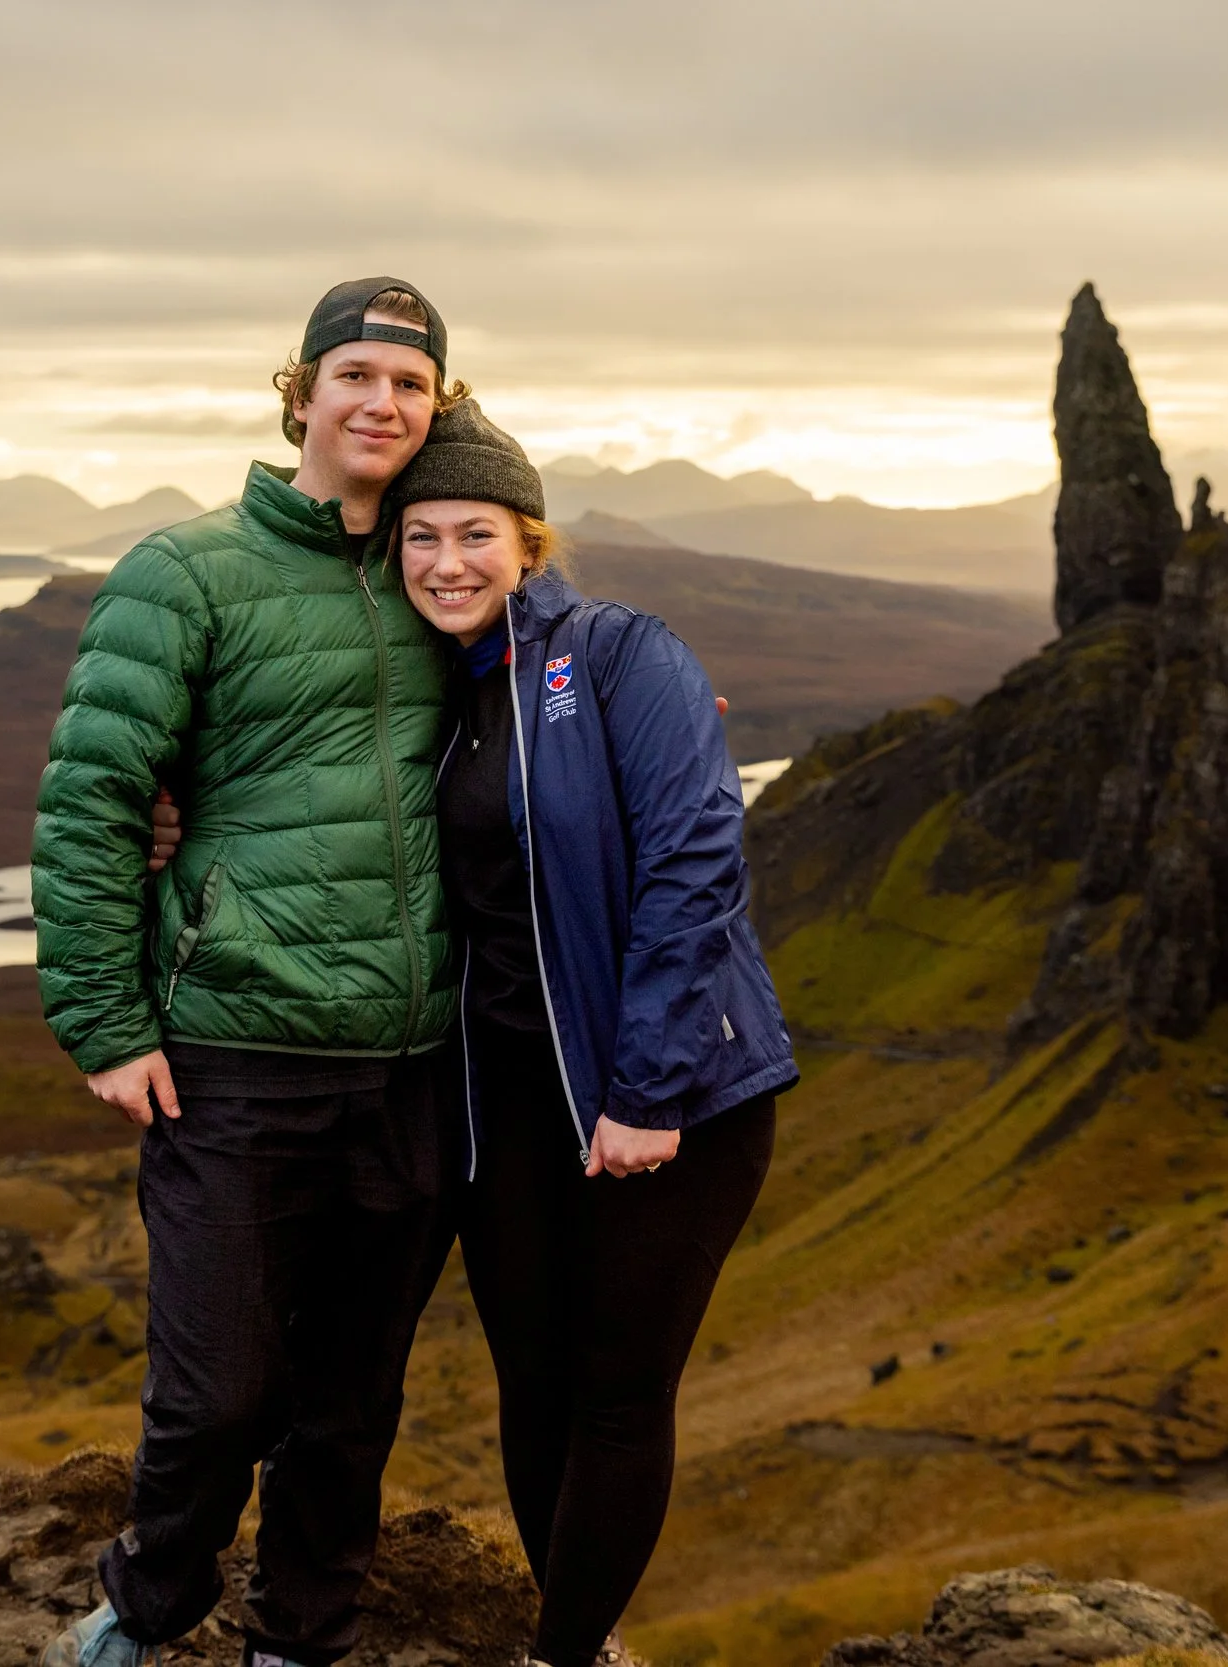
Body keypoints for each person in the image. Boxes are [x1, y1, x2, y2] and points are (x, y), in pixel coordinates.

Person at [155, 402, 799, 1667]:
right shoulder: (441, 686)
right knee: (534, 1386)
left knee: (615, 1395)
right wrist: (175, 808)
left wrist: (649, 1091)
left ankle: (560, 1655)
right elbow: (318, 799)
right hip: (504, 1104)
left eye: (477, 533)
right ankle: (577, 1637)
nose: (446, 560)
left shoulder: (621, 654)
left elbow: (693, 864)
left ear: (530, 542)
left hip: (665, 1101)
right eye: (421, 537)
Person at [31, 278, 470, 1667]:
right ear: (300, 395)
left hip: (410, 1059)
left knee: (349, 1400)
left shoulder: (440, 567)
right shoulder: (188, 570)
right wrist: (105, 1020)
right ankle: (146, 1605)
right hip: (235, 1046)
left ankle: (301, 1635)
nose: (380, 403)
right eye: (354, 376)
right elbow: (95, 794)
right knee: (219, 1388)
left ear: (438, 409)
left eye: (411, 385)